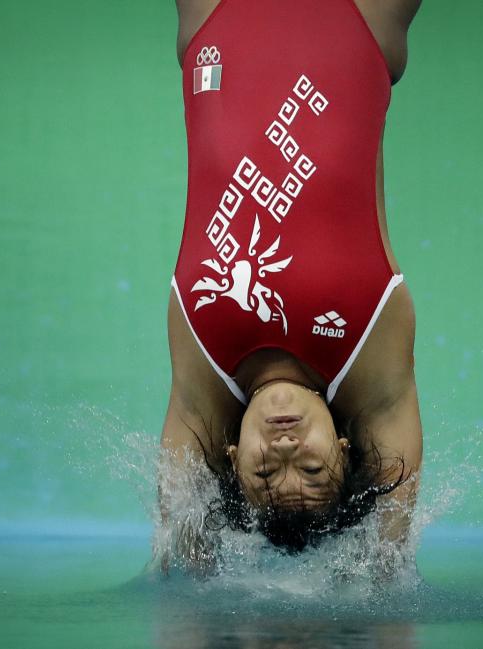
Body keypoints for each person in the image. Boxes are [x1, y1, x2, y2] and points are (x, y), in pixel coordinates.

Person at [160, 0, 423, 572]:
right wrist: (381, 572)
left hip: (220, 20)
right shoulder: (371, 364)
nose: (285, 451)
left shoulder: (204, 380)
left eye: (264, 472)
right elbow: (390, 569)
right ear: (346, 450)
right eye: (310, 470)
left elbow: (178, 559)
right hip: (355, 21)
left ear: (230, 460)